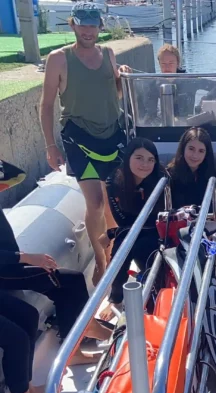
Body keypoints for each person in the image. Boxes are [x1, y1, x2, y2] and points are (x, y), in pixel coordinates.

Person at [40, 2, 132, 285]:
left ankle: (114, 256)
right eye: (83, 25)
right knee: (95, 202)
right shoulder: (58, 58)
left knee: (113, 202)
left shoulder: (109, 54)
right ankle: (101, 261)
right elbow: (46, 104)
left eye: (93, 25)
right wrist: (50, 146)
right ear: (73, 25)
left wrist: (121, 77)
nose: (88, 31)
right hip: (79, 138)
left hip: (112, 136)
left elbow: (115, 94)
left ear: (100, 26)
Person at [0, 208, 111, 365]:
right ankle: (83, 332)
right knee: (73, 280)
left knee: (65, 290)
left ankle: (77, 339)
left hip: (10, 263)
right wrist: (25, 257)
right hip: (5, 271)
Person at [99, 138, 166, 321]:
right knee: (122, 248)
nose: (145, 164)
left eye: (150, 160)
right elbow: (122, 220)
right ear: (128, 157)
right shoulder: (114, 182)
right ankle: (116, 299)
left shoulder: (161, 179)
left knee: (148, 254)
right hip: (128, 230)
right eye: (139, 158)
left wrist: (110, 233)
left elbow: (157, 219)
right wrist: (114, 232)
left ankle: (152, 292)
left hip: (154, 230)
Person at [139, 43, 216, 124]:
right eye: (163, 63)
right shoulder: (152, 85)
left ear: (178, 63)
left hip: (187, 126)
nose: (167, 67)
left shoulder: (190, 81)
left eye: (171, 63)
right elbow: (151, 114)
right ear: (159, 64)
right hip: (163, 126)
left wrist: (206, 98)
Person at [167, 127, 216, 209]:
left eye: (201, 151)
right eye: (191, 149)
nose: (195, 155)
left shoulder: (214, 175)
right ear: (183, 148)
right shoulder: (169, 176)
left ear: (207, 153)